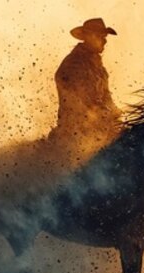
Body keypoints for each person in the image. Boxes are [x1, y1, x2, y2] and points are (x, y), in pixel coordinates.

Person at [46, 18, 123, 169]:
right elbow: (79, 101)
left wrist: (115, 116)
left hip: (98, 127)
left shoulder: (98, 67)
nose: (104, 41)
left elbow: (106, 97)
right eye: (100, 36)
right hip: (76, 133)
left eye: (104, 37)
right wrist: (101, 115)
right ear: (87, 36)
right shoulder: (73, 64)